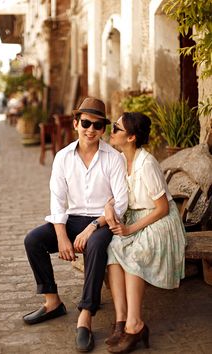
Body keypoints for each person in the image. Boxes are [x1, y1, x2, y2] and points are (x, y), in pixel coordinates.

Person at [23, 97, 128, 352]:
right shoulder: (62, 158)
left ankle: (86, 315)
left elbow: (122, 203)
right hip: (72, 219)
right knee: (33, 240)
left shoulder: (114, 158)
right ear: (75, 123)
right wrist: (61, 236)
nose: (91, 129)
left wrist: (93, 225)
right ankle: (52, 302)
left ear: (103, 129)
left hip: (102, 222)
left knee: (95, 246)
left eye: (98, 125)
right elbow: (57, 202)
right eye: (85, 123)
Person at [104, 112, 186, 354]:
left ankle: (135, 324)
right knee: (113, 247)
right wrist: (109, 205)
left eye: (116, 128)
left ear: (130, 137)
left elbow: (162, 208)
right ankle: (121, 322)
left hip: (160, 219)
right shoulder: (120, 159)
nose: (112, 130)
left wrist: (129, 229)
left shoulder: (146, 163)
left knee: (136, 252)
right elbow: (118, 194)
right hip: (137, 217)